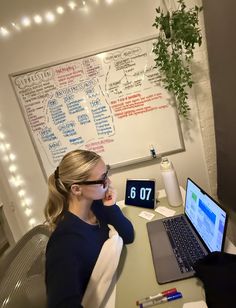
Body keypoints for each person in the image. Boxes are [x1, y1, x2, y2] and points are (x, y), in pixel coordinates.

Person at [44, 149, 134, 308]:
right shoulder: (64, 243)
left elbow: (128, 236)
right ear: (77, 189)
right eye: (102, 179)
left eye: (107, 174)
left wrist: (111, 206)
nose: (109, 182)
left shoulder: (97, 206)